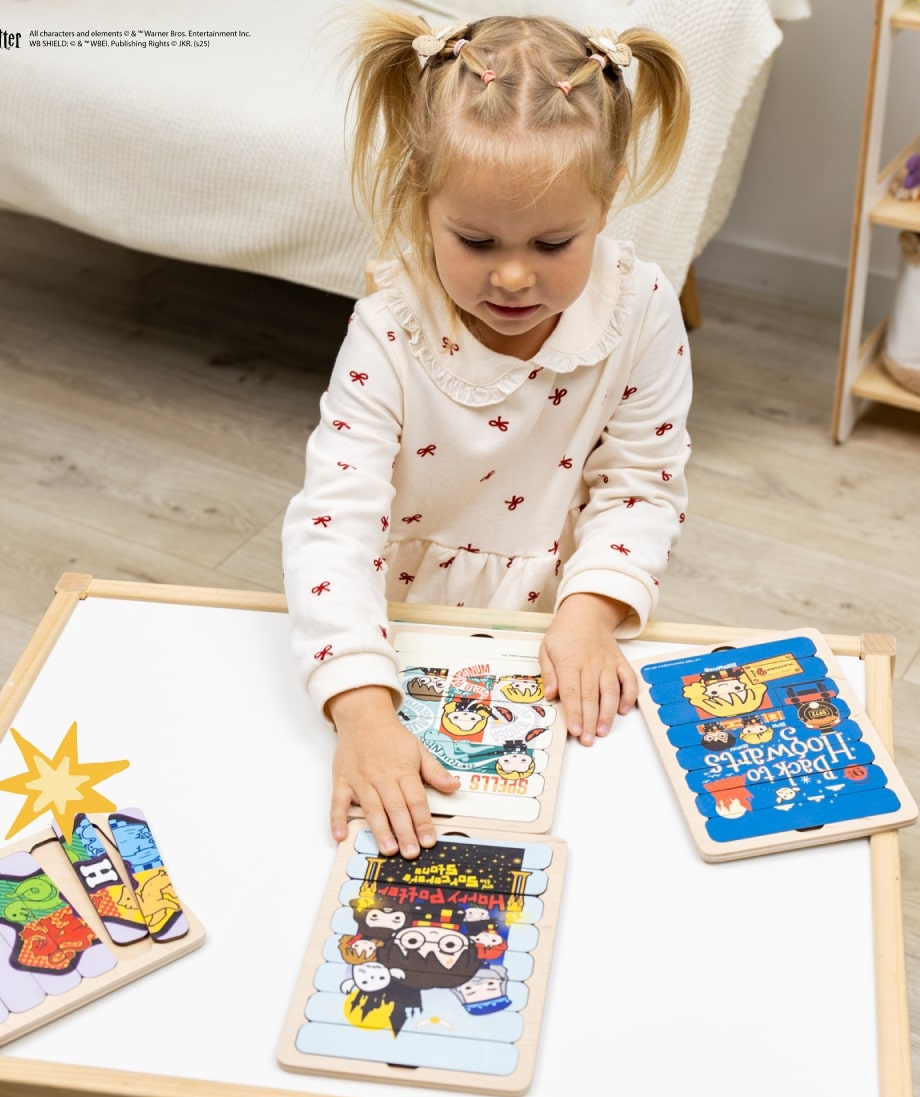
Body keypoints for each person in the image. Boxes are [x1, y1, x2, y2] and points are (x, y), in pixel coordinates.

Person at [283, 10, 692, 859]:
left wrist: (589, 615)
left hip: (564, 624)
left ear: (609, 195)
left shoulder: (644, 308)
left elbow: (641, 484)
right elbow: (334, 519)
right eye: (475, 240)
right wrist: (360, 706)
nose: (512, 275)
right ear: (421, 198)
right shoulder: (389, 325)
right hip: (393, 624)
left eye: (553, 242)